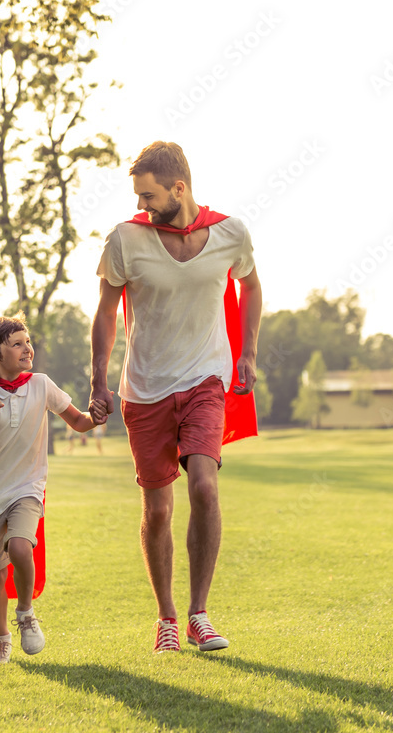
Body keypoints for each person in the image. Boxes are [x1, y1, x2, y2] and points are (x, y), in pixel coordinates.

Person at [89, 141, 262, 653]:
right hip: (144, 391)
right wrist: (98, 381)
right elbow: (104, 312)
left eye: (148, 195)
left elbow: (251, 287)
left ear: (178, 188)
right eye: (138, 196)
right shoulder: (125, 240)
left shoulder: (230, 232)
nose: (141, 205)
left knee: (205, 488)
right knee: (158, 510)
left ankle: (198, 614)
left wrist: (247, 353)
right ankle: (165, 617)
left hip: (206, 380)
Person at [0, 313, 96, 664]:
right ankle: (1, 637)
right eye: (16, 344)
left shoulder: (41, 384)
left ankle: (25, 613)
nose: (27, 348)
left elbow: (79, 421)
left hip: (28, 488)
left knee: (21, 547)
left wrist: (99, 412)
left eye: (28, 341)